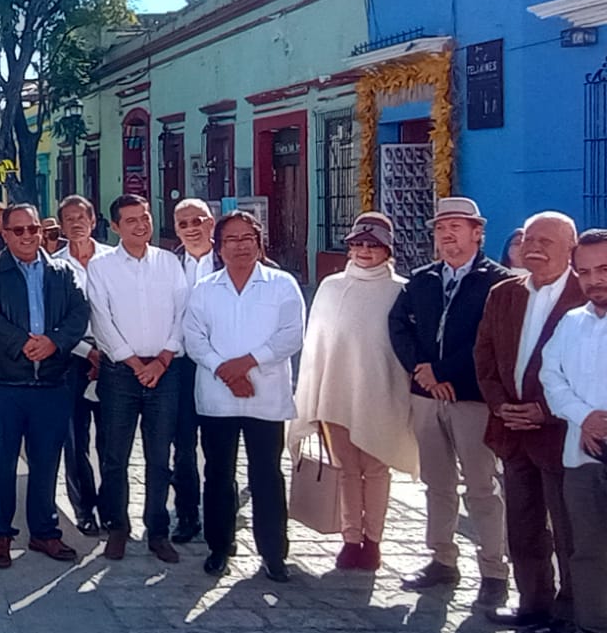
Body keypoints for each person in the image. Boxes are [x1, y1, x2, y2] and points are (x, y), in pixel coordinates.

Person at [388, 196, 513, 605]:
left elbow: (489, 340)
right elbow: (398, 325)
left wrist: (445, 372)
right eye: (441, 229)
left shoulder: (498, 282)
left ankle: (494, 568)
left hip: (471, 396)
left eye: (456, 227)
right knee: (436, 483)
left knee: (481, 485)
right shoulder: (422, 280)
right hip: (426, 396)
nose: (447, 235)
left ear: (478, 233)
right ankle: (442, 559)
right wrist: (421, 368)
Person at [475, 212, 586, 633]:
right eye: (528, 240)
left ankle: (572, 614)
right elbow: (484, 357)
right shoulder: (504, 294)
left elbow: (590, 371)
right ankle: (532, 604)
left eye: (547, 242)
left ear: (570, 250)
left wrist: (545, 409)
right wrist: (502, 405)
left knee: (569, 530)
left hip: (561, 434)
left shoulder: (585, 298)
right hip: (512, 431)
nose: (534, 248)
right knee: (522, 526)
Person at [0, 202, 88, 569]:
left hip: (51, 384)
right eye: (17, 230)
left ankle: (44, 532)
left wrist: (54, 342)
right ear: (4, 233)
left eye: (33, 229)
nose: (27, 236)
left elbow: (79, 314)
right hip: (4, 384)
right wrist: (20, 342)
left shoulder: (63, 273)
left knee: (47, 463)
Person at [184, 211, 306, 583]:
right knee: (218, 474)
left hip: (265, 396)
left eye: (247, 238)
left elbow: (291, 335)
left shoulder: (281, 284)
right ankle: (219, 547)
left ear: (259, 242)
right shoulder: (205, 288)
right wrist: (226, 371)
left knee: (267, 474)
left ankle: (273, 552)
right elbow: (194, 338)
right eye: (231, 240)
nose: (240, 246)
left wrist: (247, 364)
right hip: (218, 397)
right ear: (218, 248)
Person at [292, 213, 414, 571]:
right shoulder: (331, 288)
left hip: (383, 392)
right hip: (337, 392)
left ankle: (373, 540)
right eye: (358, 244)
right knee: (345, 468)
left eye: (373, 245)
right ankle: (350, 538)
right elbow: (317, 346)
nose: (364, 251)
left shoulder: (401, 291)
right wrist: (313, 395)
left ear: (387, 250)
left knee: (376, 467)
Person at [84, 194, 189, 564]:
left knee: (160, 457)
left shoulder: (170, 264)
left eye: (144, 218)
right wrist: (133, 363)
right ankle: (117, 527)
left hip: (165, 371)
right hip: (119, 374)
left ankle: (157, 530)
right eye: (130, 220)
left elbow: (183, 314)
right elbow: (102, 320)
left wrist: (161, 360)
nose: (140, 225)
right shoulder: (101, 268)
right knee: (115, 457)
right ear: (114, 227)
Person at [539, 230, 607, 633]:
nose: (594, 280)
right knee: (587, 549)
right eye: (584, 272)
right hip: (584, 453)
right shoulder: (572, 322)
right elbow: (551, 376)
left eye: (603, 270)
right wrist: (585, 417)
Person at [52, 195, 112, 537]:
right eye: (68, 218)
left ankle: (112, 509)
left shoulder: (112, 261)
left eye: (82, 217)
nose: (76, 223)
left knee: (111, 440)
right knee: (75, 441)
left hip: (113, 357)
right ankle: (84, 509)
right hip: (71, 358)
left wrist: (104, 353)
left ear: (93, 220)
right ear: (61, 226)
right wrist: (85, 351)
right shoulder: (55, 266)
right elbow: (53, 319)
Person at [170, 197, 221, 544]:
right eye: (183, 224)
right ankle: (187, 514)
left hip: (223, 365)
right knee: (183, 446)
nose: (191, 229)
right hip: (181, 366)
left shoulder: (233, 259)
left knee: (220, 447)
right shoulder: (167, 265)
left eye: (197, 221)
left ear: (211, 222)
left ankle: (222, 514)